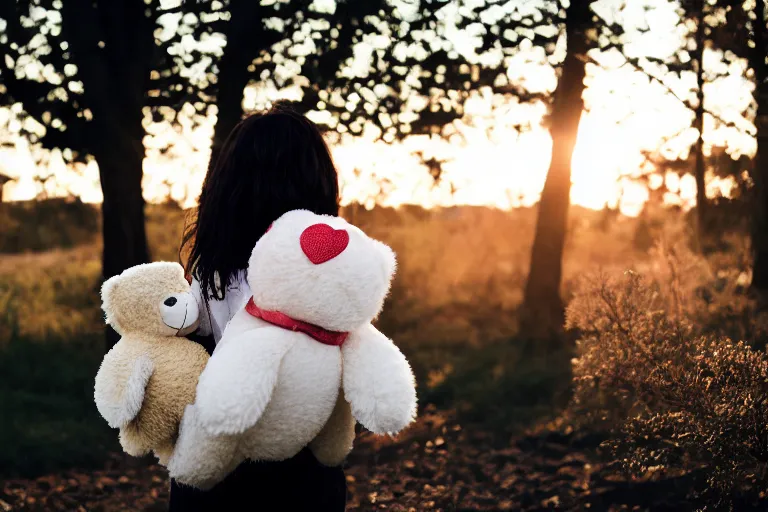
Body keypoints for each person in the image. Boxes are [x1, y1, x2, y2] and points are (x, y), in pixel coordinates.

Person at [172, 104, 347, 511]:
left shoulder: (213, 268)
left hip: (214, 455)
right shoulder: (326, 268)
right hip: (302, 463)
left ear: (228, 183)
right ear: (317, 181)